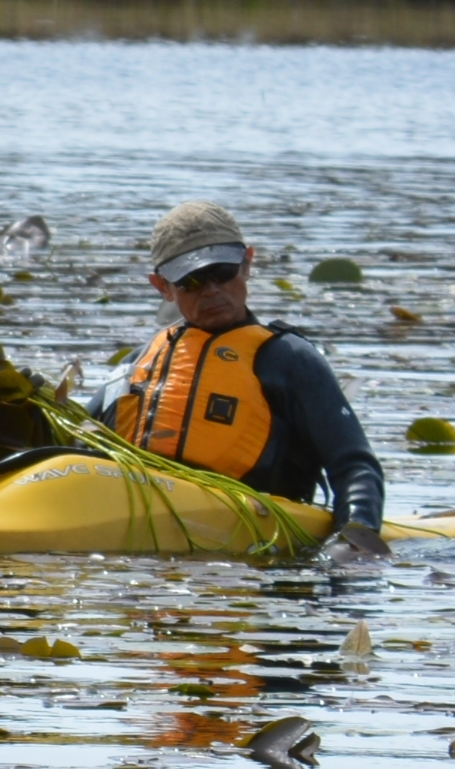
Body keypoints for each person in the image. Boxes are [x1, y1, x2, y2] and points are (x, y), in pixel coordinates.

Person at [96, 200, 389, 559]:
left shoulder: (290, 360)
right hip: (139, 548)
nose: (211, 290)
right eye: (191, 280)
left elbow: (355, 466)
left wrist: (356, 539)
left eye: (222, 272)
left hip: (260, 556)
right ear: (163, 287)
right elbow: (76, 444)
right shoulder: (139, 363)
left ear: (247, 263)